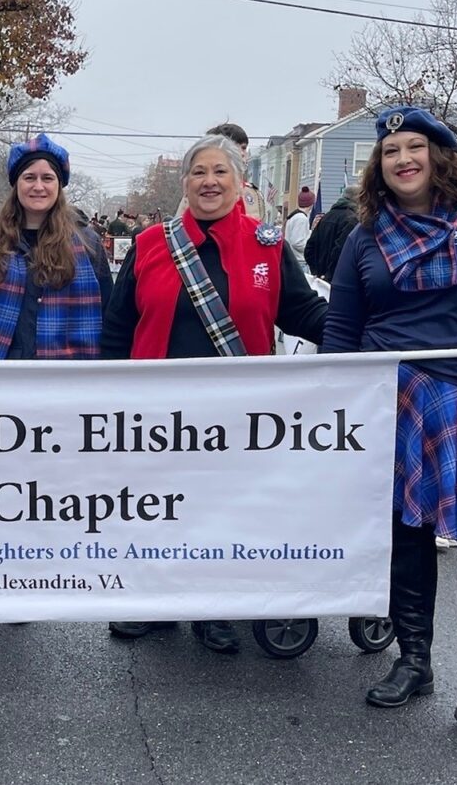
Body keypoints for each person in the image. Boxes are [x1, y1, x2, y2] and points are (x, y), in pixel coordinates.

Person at [321, 106, 457, 765]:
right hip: (397, 393)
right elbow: (342, 325)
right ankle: (413, 659)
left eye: (415, 147)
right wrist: (336, 405)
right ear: (378, 165)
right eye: (390, 151)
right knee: (404, 532)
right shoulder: (364, 235)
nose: (402, 158)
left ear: (440, 154)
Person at [102, 134, 327, 652]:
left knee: (225, 510)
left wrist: (367, 337)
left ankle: (216, 607)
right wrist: (107, 396)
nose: (209, 181)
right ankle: (153, 604)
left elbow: (302, 312)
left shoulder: (267, 243)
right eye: (199, 172)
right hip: (155, 412)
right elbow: (118, 329)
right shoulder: (148, 245)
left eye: (220, 172)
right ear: (185, 184)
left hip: (237, 411)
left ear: (239, 182)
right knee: (157, 509)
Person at [0, 133, 112, 359]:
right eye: (29, 177)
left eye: (47, 178)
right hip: (2, 376)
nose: (38, 186)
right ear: (16, 183)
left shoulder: (89, 245)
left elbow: (108, 317)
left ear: (59, 184)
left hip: (72, 379)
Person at [304, 184, 359, 281]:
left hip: (320, 278)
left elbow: (309, 248)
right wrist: (329, 275)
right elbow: (340, 251)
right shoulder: (352, 220)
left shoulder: (326, 217)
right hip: (338, 280)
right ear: (358, 199)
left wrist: (316, 271)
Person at [284, 186, 315, 269]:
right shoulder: (301, 219)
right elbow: (297, 242)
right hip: (299, 261)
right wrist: (311, 248)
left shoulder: (293, 216)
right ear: (311, 204)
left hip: (293, 258)